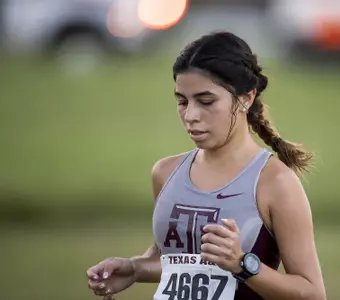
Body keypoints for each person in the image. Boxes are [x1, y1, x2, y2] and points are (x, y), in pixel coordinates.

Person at [86, 31, 327, 300]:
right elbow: (178, 261)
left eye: (206, 101)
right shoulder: (165, 174)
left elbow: (312, 293)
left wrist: (241, 265)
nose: (190, 115)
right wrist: (134, 269)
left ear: (246, 98)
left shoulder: (275, 183)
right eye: (182, 101)